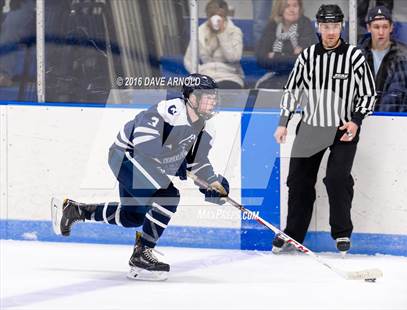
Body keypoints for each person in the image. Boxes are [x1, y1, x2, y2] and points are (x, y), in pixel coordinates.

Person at [51, 73, 230, 281]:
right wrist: (177, 163)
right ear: (191, 96)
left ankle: (74, 210)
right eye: (206, 96)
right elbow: (145, 145)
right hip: (126, 155)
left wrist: (211, 183)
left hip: (143, 164)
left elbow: (196, 162)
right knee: (168, 197)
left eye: (213, 96)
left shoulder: (207, 129)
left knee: (132, 217)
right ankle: (141, 256)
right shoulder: (169, 111)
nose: (212, 101)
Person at [271, 5, 377, 255]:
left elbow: (368, 94)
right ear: (318, 27)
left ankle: (341, 233)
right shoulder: (307, 56)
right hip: (311, 126)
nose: (330, 32)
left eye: (335, 26)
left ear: (341, 27)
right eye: (326, 26)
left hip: (343, 128)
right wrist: (283, 122)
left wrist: (356, 121)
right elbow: (292, 91)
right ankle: (293, 234)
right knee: (298, 181)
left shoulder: (354, 56)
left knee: (337, 178)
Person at [360, 6, 407, 112]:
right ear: (369, 28)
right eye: (376, 27)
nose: (381, 32)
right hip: (361, 121)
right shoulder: (357, 56)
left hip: (394, 122)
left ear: (391, 28)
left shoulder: (406, 59)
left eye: (385, 27)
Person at [255, 0, 317, 89]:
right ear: (280, 9)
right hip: (276, 76)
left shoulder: (305, 24)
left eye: (295, 6)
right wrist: (292, 55)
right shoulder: (273, 25)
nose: (292, 10)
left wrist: (275, 56)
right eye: (287, 6)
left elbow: (305, 59)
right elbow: (261, 58)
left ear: (300, 8)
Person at [184, 0, 244, 89]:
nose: (216, 19)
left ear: (225, 16)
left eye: (221, 16)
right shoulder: (199, 31)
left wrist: (222, 34)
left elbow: (234, 57)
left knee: (218, 90)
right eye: (212, 15)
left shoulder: (234, 31)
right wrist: (199, 72)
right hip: (206, 76)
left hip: (229, 76)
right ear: (208, 16)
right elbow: (188, 59)